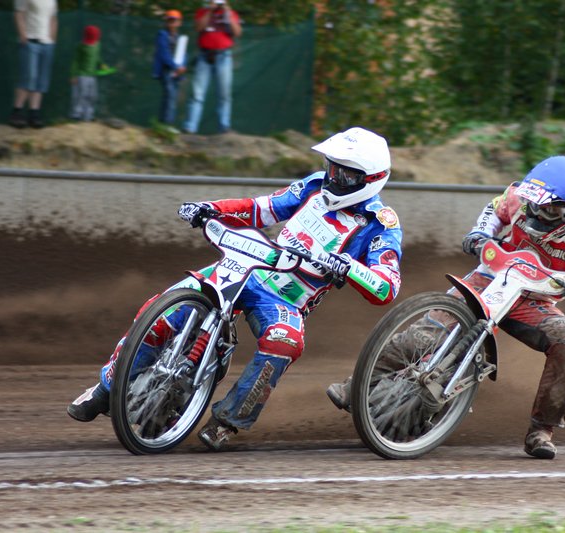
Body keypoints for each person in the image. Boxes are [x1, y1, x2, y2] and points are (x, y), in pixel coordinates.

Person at [67, 127, 403, 452]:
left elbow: (387, 286)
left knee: (285, 342)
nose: (333, 177)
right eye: (332, 167)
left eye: (345, 174)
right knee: (162, 309)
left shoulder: (381, 223)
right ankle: (106, 388)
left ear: (370, 180)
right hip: (250, 264)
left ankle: (228, 421)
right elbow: (261, 208)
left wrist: (349, 266)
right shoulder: (314, 186)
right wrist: (211, 208)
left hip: (288, 298)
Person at [327, 155, 565, 459]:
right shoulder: (516, 196)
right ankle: (355, 387)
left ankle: (542, 430)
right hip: (487, 280)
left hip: (534, 302)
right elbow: (493, 211)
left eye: (551, 209)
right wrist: (480, 233)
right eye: (535, 202)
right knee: (426, 333)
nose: (539, 212)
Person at [182, 0, 242, 134]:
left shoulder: (231, 13)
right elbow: (198, 28)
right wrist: (210, 10)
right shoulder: (203, 12)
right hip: (204, 56)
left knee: (224, 95)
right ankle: (190, 127)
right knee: (197, 94)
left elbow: (237, 32)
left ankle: (224, 127)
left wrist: (227, 12)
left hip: (224, 56)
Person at [10, 0, 59, 129]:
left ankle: (34, 113)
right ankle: (17, 112)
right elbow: (19, 14)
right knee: (29, 77)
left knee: (42, 79)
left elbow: (53, 18)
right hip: (30, 41)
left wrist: (52, 39)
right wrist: (23, 36)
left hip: (47, 44)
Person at [152, 10, 187, 130]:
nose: (172, 23)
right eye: (169, 20)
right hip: (166, 71)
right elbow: (164, 54)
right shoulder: (162, 35)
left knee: (172, 97)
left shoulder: (180, 38)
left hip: (177, 73)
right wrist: (175, 67)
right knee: (170, 95)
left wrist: (182, 67)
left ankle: (163, 123)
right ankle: (166, 124)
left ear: (179, 22)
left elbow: (183, 54)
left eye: (174, 20)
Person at [69, 25, 107, 122]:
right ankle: (76, 114)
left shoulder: (98, 45)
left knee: (92, 96)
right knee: (81, 95)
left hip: (92, 76)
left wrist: (102, 64)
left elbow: (97, 57)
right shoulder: (81, 46)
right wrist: (73, 75)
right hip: (82, 75)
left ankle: (88, 116)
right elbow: (76, 61)